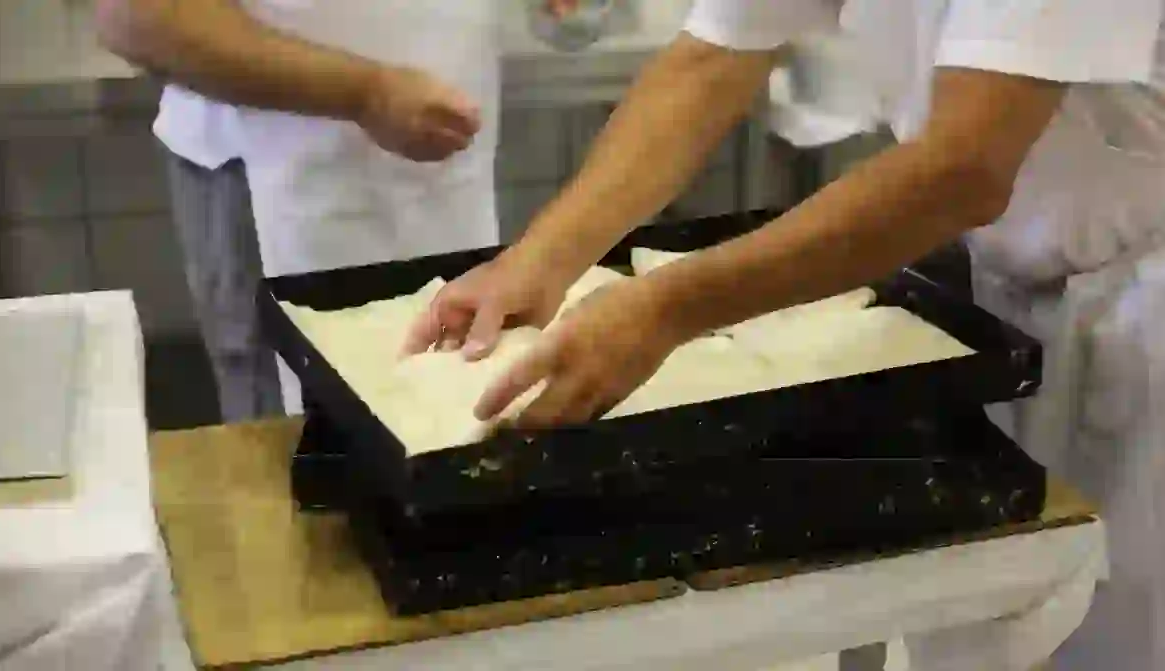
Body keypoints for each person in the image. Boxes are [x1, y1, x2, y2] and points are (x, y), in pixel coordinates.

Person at [406, 0, 1165, 668]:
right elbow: (711, 62)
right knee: (997, 621)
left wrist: (665, 309)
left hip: (1147, 305)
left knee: (1129, 634)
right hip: (1022, 286)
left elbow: (962, 169)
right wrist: (541, 259)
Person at [95, 0, 500, 418]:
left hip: (446, 182)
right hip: (278, 185)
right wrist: (366, 95)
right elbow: (135, 16)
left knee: (445, 407)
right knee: (302, 448)